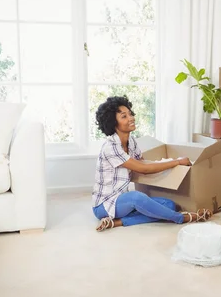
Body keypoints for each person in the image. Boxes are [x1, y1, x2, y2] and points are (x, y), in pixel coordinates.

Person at [91, 96, 213, 232]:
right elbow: (144, 169)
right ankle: (181, 218)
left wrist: (168, 164)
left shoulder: (131, 142)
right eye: (124, 116)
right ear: (113, 123)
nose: (131, 118)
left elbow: (143, 163)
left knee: (169, 205)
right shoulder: (111, 147)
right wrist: (177, 162)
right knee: (136, 198)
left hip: (122, 201)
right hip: (104, 205)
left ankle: (117, 222)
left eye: (130, 114)